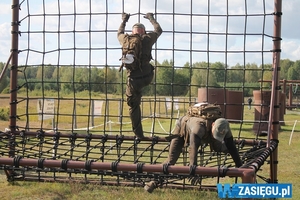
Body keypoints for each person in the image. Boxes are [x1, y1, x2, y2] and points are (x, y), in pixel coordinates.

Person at [144, 116, 242, 193]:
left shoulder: (224, 126)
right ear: (212, 125)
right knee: (171, 160)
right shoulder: (199, 128)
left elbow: (231, 145)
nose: (217, 137)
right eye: (216, 134)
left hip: (204, 134)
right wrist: (193, 168)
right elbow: (193, 146)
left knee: (222, 148)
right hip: (182, 129)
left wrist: (239, 165)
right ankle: (153, 182)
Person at [117, 13, 162, 139]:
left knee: (133, 105)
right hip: (148, 76)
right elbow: (159, 30)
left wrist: (124, 20)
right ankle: (139, 93)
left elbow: (119, 32)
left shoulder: (125, 39)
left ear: (132, 32)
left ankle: (139, 134)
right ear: (143, 31)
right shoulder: (148, 38)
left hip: (133, 79)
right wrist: (151, 18)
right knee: (140, 88)